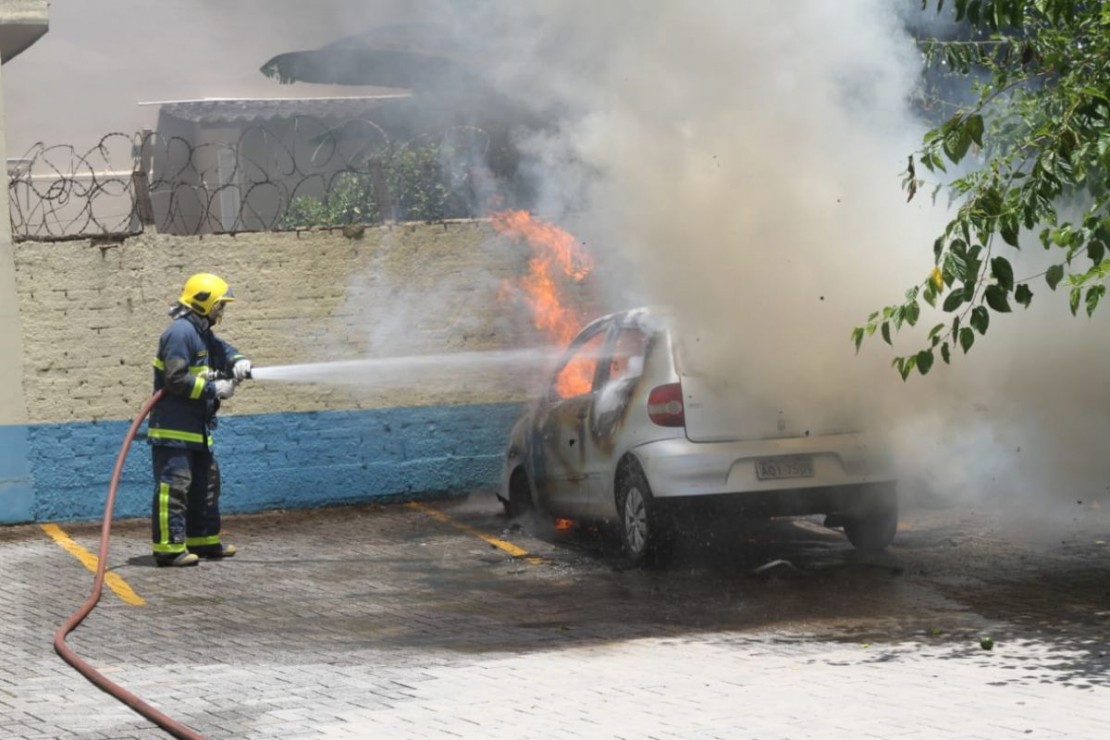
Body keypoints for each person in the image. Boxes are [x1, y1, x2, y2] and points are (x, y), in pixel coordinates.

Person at [149, 273, 252, 567]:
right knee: (175, 486)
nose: (222, 311)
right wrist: (213, 388)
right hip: (174, 429)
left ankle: (203, 541)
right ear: (204, 302)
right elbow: (175, 378)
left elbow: (222, 351)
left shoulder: (201, 333)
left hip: (197, 429)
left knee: (206, 485)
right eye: (219, 304)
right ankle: (168, 549)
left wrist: (238, 361)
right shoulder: (180, 333)